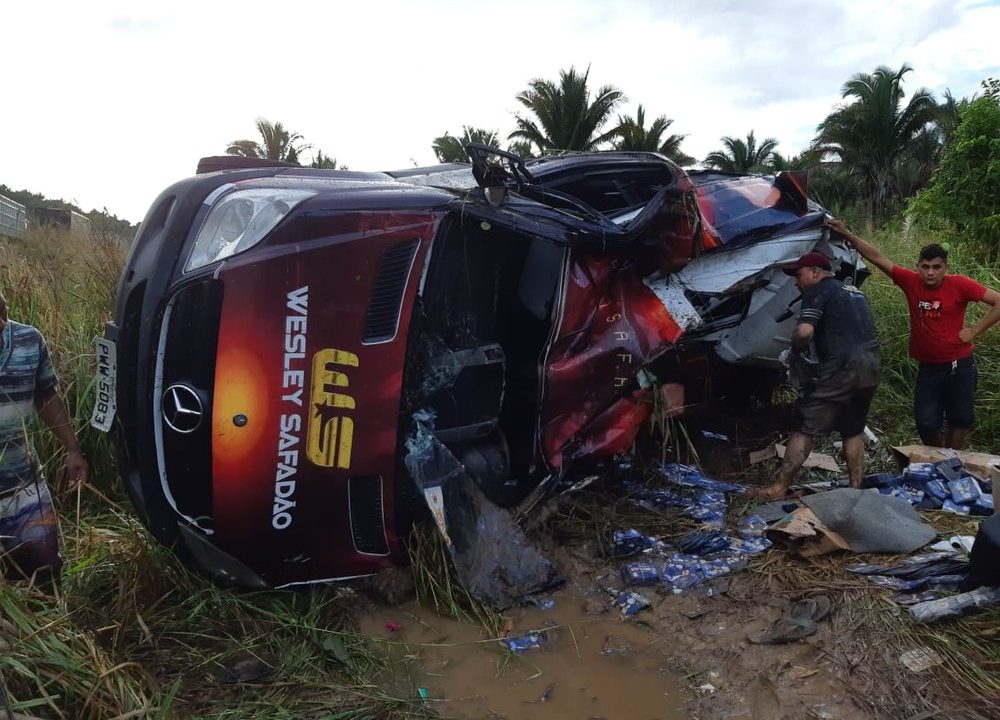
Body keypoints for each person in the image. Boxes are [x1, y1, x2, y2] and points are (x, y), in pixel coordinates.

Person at [828, 219, 1000, 449]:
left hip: (959, 365)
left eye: (936, 267)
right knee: (926, 423)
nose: (930, 273)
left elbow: (998, 301)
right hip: (928, 366)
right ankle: (940, 459)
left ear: (945, 268)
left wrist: (974, 330)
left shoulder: (960, 284)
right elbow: (877, 257)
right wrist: (848, 235)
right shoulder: (910, 282)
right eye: (925, 267)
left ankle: (952, 464)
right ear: (917, 266)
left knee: (959, 420)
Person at [756, 251, 881, 500]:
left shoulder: (818, 291)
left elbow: (804, 332)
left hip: (841, 367)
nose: (796, 282)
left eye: (799, 275)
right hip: (872, 366)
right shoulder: (855, 292)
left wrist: (794, 353)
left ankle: (778, 488)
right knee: (853, 428)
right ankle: (856, 490)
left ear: (815, 272)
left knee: (805, 426)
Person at [0, 291, 87, 586]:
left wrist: (72, 449)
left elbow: (46, 397)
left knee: (45, 576)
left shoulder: (28, 341)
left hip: (25, 489)